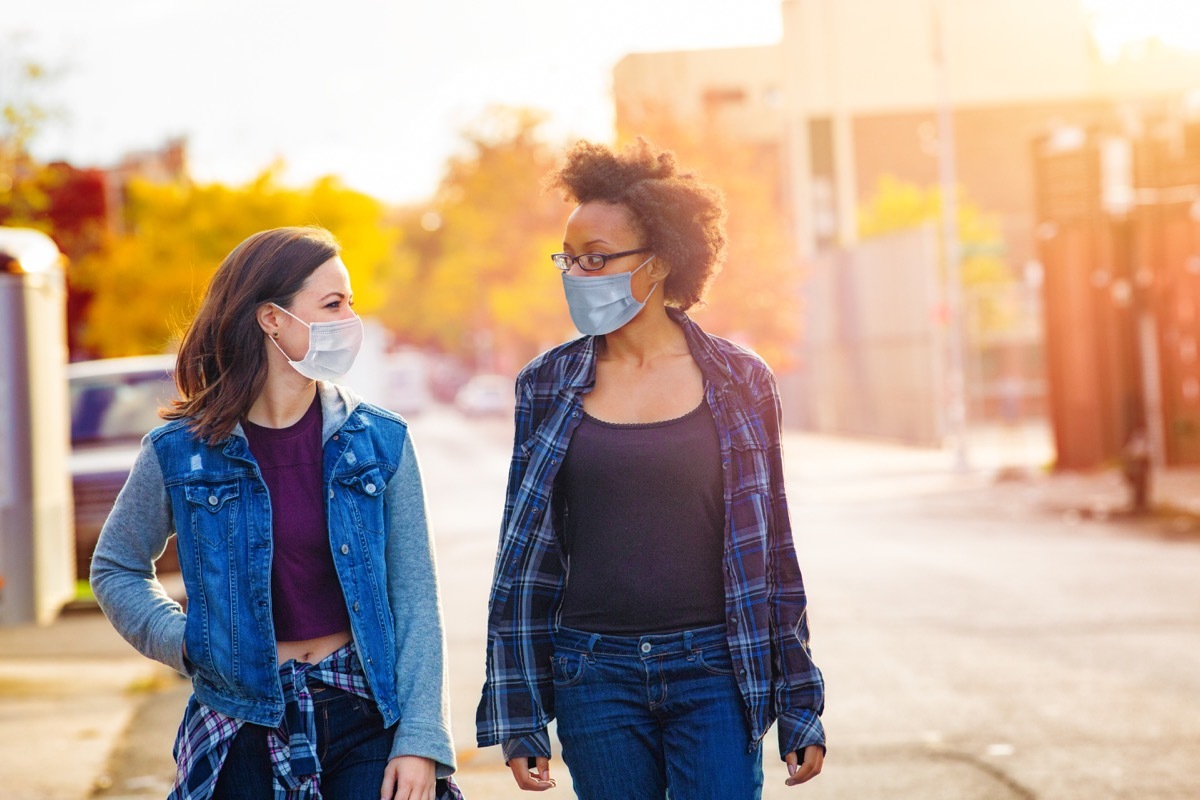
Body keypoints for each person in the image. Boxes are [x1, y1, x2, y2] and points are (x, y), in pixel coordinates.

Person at [476, 139, 826, 799]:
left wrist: (800, 701)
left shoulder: (739, 380)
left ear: (661, 263)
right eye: (570, 259)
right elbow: (522, 559)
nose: (578, 274)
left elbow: (773, 549)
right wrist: (520, 713)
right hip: (592, 674)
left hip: (715, 671)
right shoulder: (545, 384)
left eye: (598, 258)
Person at [91, 226, 461, 800]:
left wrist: (420, 739)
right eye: (332, 304)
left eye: (351, 304)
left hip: (363, 711)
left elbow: (415, 597)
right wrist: (185, 641)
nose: (350, 321)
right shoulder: (179, 450)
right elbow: (116, 567)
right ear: (272, 318)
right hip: (241, 717)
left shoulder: (381, 440)